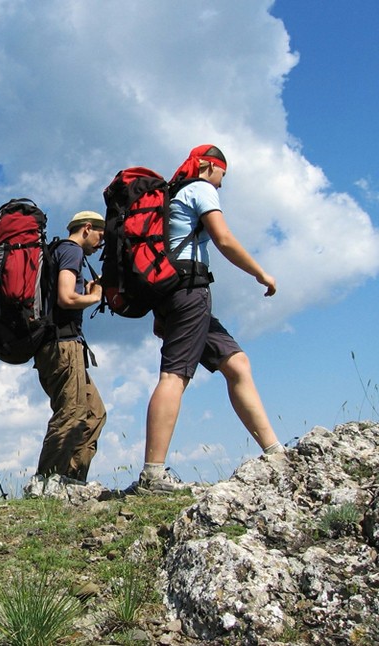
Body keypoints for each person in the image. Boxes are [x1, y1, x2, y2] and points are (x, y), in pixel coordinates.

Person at [133, 144, 284, 494]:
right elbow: (224, 238)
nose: (221, 184)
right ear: (206, 166)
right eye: (221, 175)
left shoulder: (171, 197)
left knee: (237, 363)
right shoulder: (199, 188)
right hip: (191, 290)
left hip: (173, 294)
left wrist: (162, 311)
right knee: (174, 375)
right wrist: (261, 273)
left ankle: (275, 453)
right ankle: (152, 475)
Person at [32, 211, 107, 483]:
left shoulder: (57, 251)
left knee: (94, 413)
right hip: (63, 344)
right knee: (72, 412)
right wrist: (94, 296)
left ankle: (71, 480)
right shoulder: (71, 250)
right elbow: (66, 297)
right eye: (100, 235)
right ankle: (46, 482)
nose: (101, 243)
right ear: (87, 228)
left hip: (54, 345)